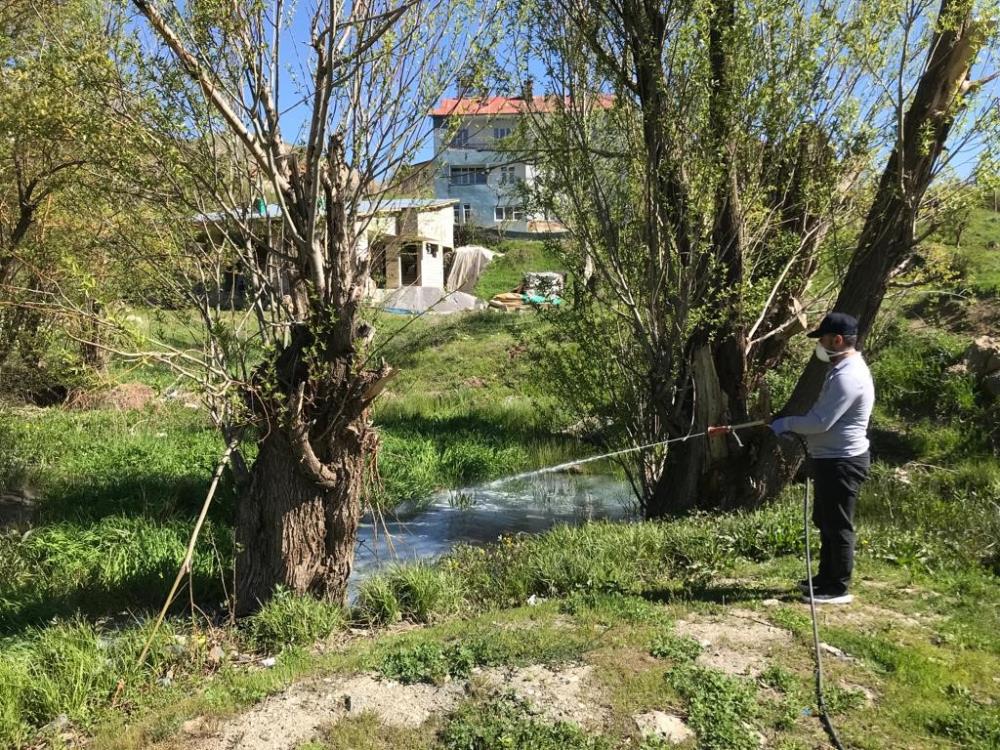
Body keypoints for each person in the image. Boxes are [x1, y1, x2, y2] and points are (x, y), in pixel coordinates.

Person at [770, 312, 875, 605]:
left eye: (823, 339)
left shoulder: (849, 377)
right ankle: (824, 577)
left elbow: (820, 422)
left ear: (837, 340)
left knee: (838, 524)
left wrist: (787, 424)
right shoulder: (842, 369)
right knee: (824, 519)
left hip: (843, 461)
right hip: (830, 458)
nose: (820, 344)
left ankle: (837, 587)